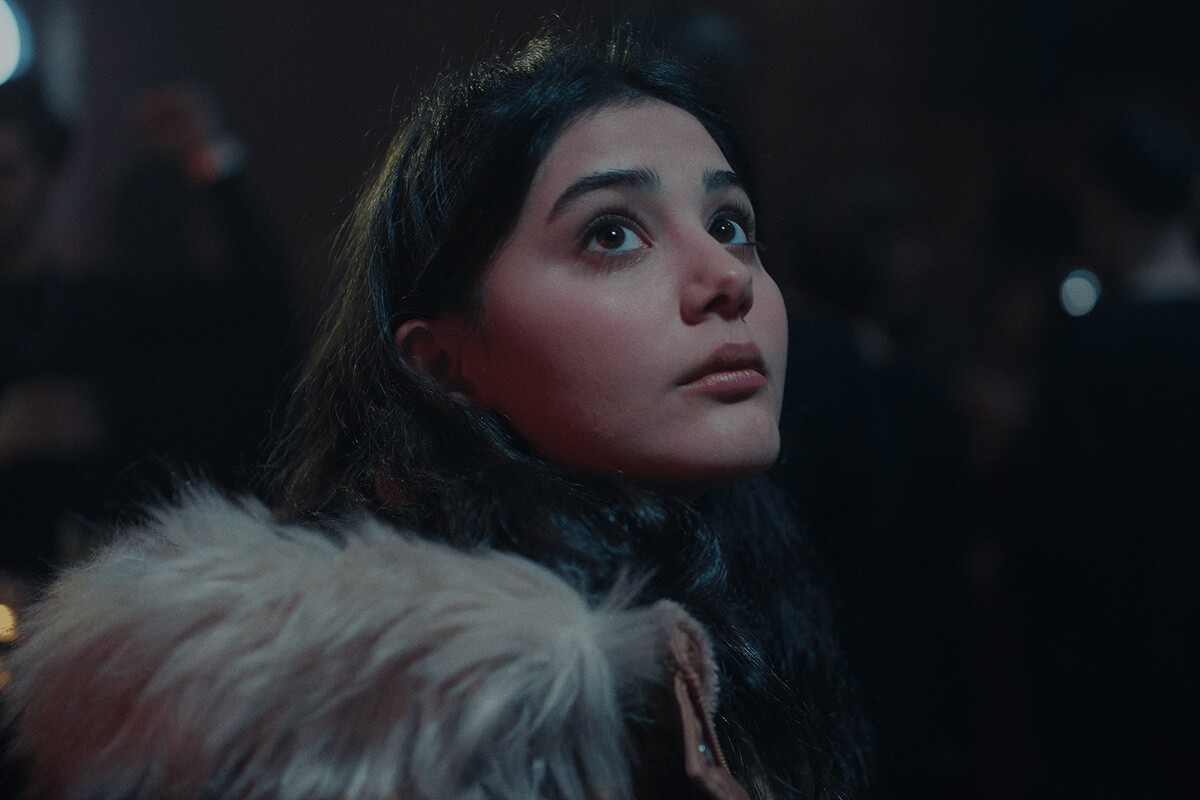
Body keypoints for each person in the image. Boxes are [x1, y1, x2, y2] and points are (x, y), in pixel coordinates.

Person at [5, 28, 870, 800]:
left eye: (730, 224)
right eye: (611, 234)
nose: (728, 278)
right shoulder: (356, 723)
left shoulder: (755, 618)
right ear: (442, 363)